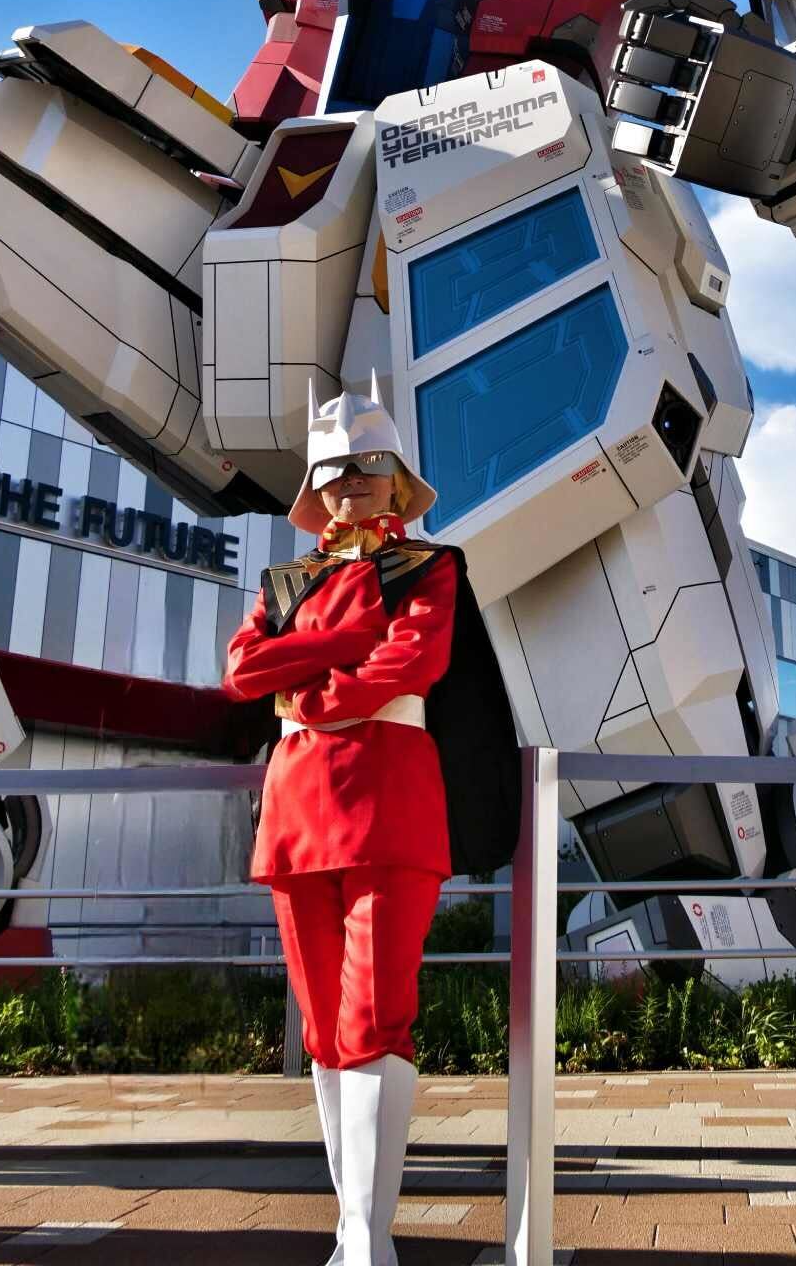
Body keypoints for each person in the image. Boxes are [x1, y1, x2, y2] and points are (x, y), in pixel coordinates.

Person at [223, 390, 456, 1266]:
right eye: (334, 470)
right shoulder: (284, 582)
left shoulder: (428, 566)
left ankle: (368, 1238)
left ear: (396, 481)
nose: (351, 481)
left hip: (390, 801)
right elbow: (243, 670)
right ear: (315, 489)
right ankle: (352, 1228)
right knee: (325, 1029)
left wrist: (313, 696)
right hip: (295, 813)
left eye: (368, 466)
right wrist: (349, 636)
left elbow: (414, 659)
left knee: (375, 1018)